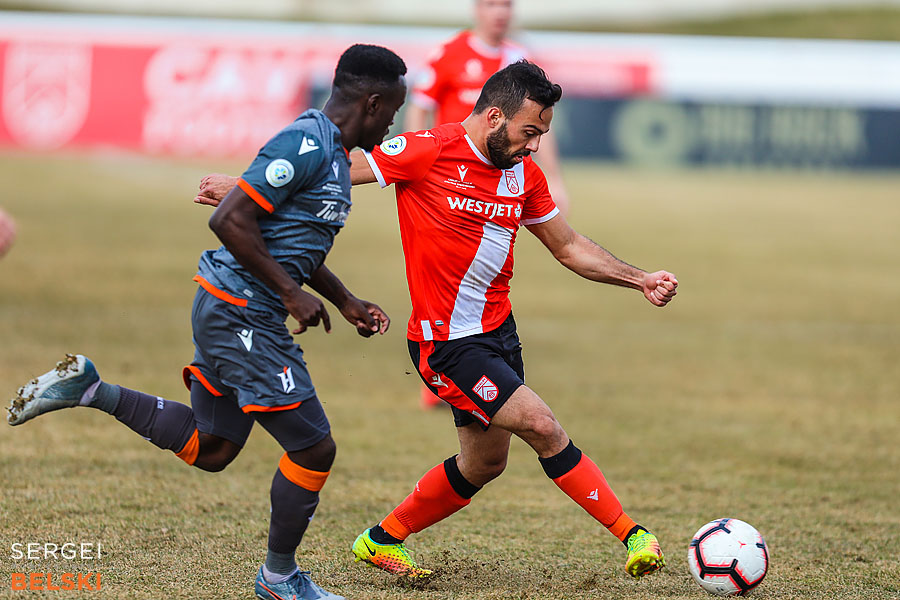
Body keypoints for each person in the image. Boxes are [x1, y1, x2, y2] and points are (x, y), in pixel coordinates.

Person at [196, 60, 678, 584]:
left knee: (484, 464)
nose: (535, 145)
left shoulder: (524, 174)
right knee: (542, 426)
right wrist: (244, 186)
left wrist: (640, 279)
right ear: (494, 116)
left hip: (498, 335)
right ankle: (633, 534)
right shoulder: (427, 149)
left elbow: (568, 247)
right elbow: (337, 169)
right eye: (529, 132)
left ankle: (380, 540)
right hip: (446, 343)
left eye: (542, 134)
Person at [7, 44, 408, 600]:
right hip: (243, 310)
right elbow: (230, 219)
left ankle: (91, 388)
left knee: (213, 448)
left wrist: (343, 299)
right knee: (314, 448)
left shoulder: (336, 155)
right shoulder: (306, 142)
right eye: (393, 110)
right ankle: (279, 579)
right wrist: (292, 296)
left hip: (234, 307)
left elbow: (293, 243)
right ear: (373, 100)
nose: (394, 121)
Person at [407, 0, 571, 409]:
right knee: (447, 272)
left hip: (501, 181)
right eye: (491, 4)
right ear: (477, 9)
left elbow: (538, 129)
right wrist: (417, 164)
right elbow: (421, 107)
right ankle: (448, 369)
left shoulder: (519, 60)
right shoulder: (448, 54)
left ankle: (467, 370)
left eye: (506, 5)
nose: (500, 12)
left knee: (491, 270)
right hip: (451, 183)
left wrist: (554, 178)